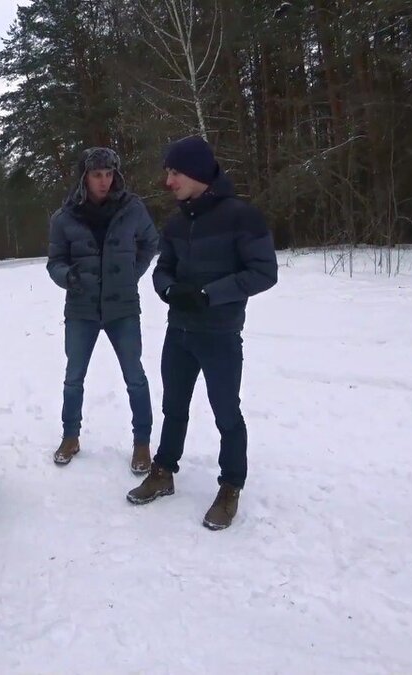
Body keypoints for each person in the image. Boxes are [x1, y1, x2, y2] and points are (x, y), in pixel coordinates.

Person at [126, 135, 278, 531]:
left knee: (226, 413)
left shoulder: (241, 217)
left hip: (220, 334)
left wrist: (211, 295)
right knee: (173, 407)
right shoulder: (177, 222)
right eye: (168, 173)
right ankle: (164, 471)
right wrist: (170, 289)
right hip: (179, 332)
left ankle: (230, 487)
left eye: (174, 172)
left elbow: (264, 272)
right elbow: (162, 269)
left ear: (194, 172)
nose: (168, 181)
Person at [46, 147, 158, 474]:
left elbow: (151, 242)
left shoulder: (132, 209)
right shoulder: (64, 218)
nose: (104, 181)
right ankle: (70, 436)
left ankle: (142, 443)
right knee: (73, 378)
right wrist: (69, 277)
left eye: (109, 174)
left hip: (122, 308)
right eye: (97, 175)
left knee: (135, 377)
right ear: (84, 177)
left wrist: (131, 272)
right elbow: (55, 263)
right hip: (81, 309)